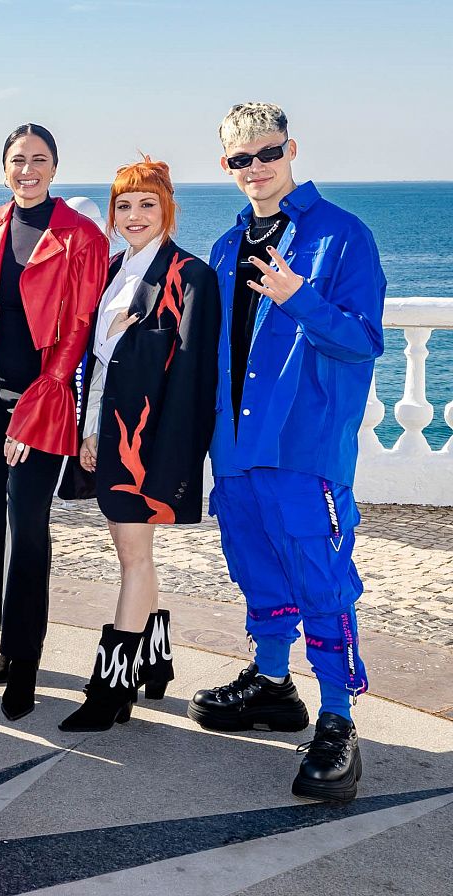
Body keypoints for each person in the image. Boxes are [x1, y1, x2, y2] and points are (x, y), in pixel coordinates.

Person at [189, 102, 385, 803]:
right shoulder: (222, 248)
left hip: (304, 448)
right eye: (241, 159)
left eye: (267, 153)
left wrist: (300, 296)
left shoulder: (341, 237)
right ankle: (273, 685)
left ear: (290, 149)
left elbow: (363, 340)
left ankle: (339, 720)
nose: (256, 168)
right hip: (237, 448)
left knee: (322, 581)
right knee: (257, 568)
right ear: (227, 166)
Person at [0, 124, 107, 721]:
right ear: (4, 167)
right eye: (17, 160)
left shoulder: (81, 235)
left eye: (39, 160)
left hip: (44, 385)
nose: (27, 170)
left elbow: (81, 325)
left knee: (27, 519)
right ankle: (3, 638)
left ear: (55, 166)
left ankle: (26, 655)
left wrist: (41, 400)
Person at [58, 157, 219, 732]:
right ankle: (155, 661)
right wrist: (89, 433)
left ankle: (110, 690)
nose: (134, 215)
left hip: (148, 443)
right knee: (135, 557)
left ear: (167, 208)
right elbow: (97, 367)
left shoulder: (190, 275)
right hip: (112, 435)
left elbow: (193, 376)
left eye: (147, 203)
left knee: (133, 559)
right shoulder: (113, 271)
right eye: (124, 205)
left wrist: (171, 462)